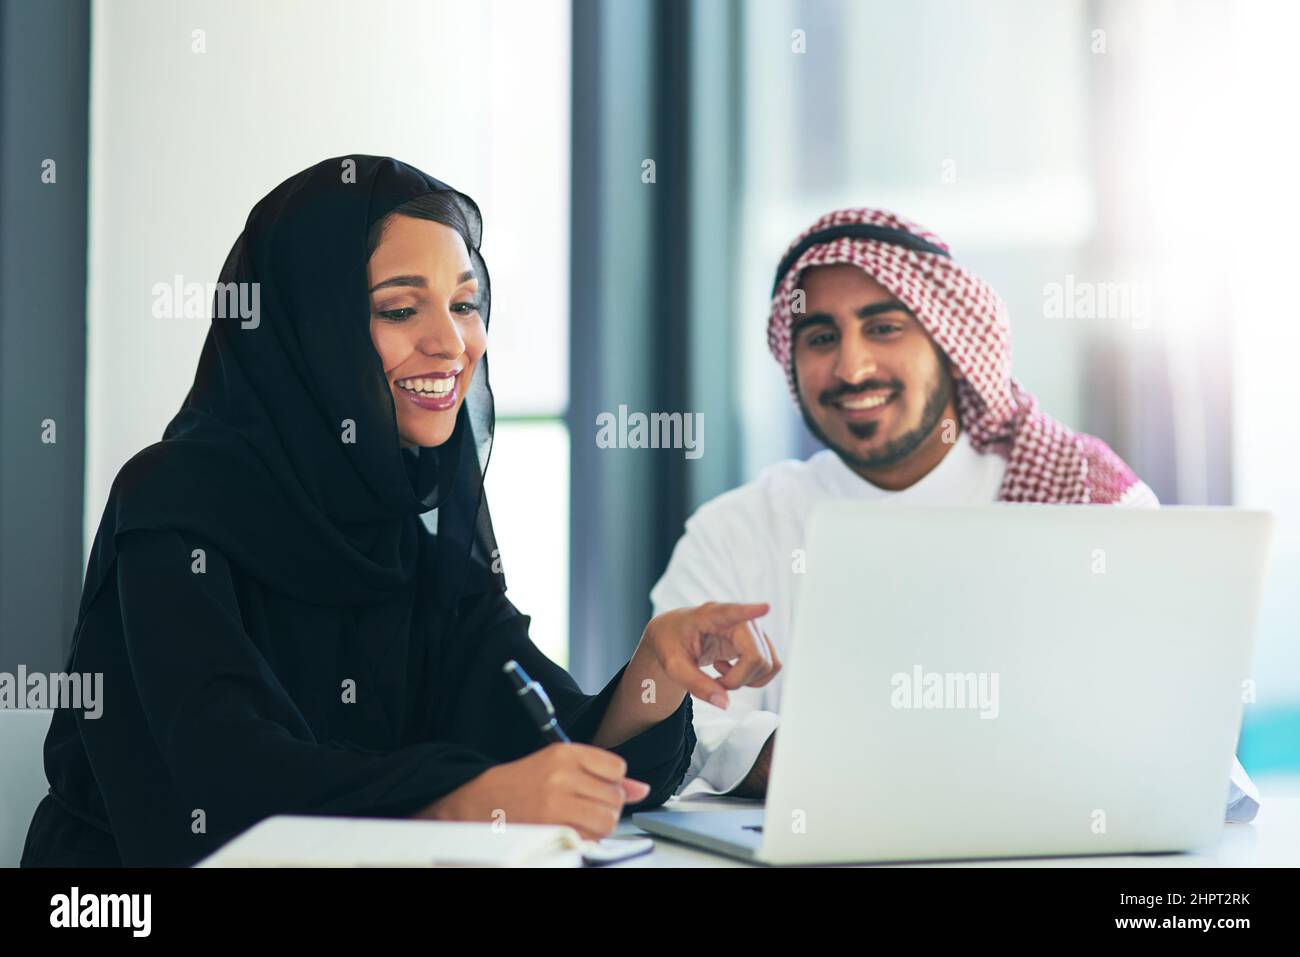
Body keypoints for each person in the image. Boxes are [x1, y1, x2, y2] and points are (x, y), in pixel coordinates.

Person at [21, 155, 778, 867]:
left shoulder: (409, 512)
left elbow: (536, 733)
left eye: (464, 303)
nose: (451, 342)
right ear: (310, 328)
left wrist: (654, 671)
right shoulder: (171, 502)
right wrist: (458, 800)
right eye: (399, 308)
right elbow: (222, 784)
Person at [651, 207, 1259, 822]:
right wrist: (800, 759)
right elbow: (678, 726)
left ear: (949, 339)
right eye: (821, 337)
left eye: (884, 328)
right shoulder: (736, 530)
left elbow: (1179, 732)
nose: (852, 368)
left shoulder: (1083, 494)